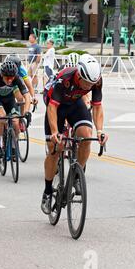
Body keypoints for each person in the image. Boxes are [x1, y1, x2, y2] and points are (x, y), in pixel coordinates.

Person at [40, 54, 109, 214]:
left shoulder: (96, 80)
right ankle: (48, 191)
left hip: (74, 103)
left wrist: (100, 130)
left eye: (92, 83)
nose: (89, 87)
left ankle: (77, 175)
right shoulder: (65, 79)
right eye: (87, 83)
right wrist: (56, 132)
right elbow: (52, 108)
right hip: (56, 104)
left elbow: (97, 106)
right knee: (55, 148)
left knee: (86, 135)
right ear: (79, 75)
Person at [0, 61, 31, 159]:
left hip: (9, 100)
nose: (10, 80)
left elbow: (27, 96)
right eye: (7, 78)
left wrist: (26, 111)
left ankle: (14, 147)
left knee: (15, 122)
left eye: (12, 77)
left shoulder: (17, 77)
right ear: (2, 74)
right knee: (2, 117)